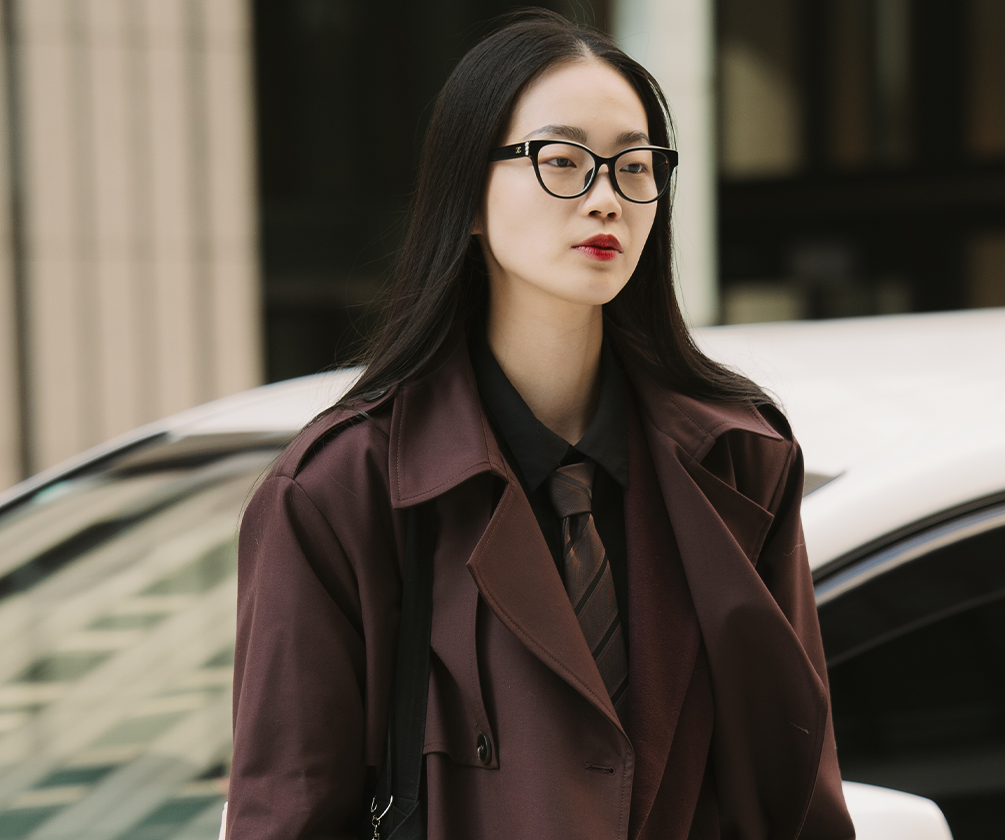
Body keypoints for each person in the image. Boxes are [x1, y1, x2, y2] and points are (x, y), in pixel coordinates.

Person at [227, 10, 854, 840]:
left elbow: (793, 794)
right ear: (470, 199)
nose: (605, 198)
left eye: (635, 167)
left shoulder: (740, 458)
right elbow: (290, 816)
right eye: (562, 162)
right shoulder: (340, 491)